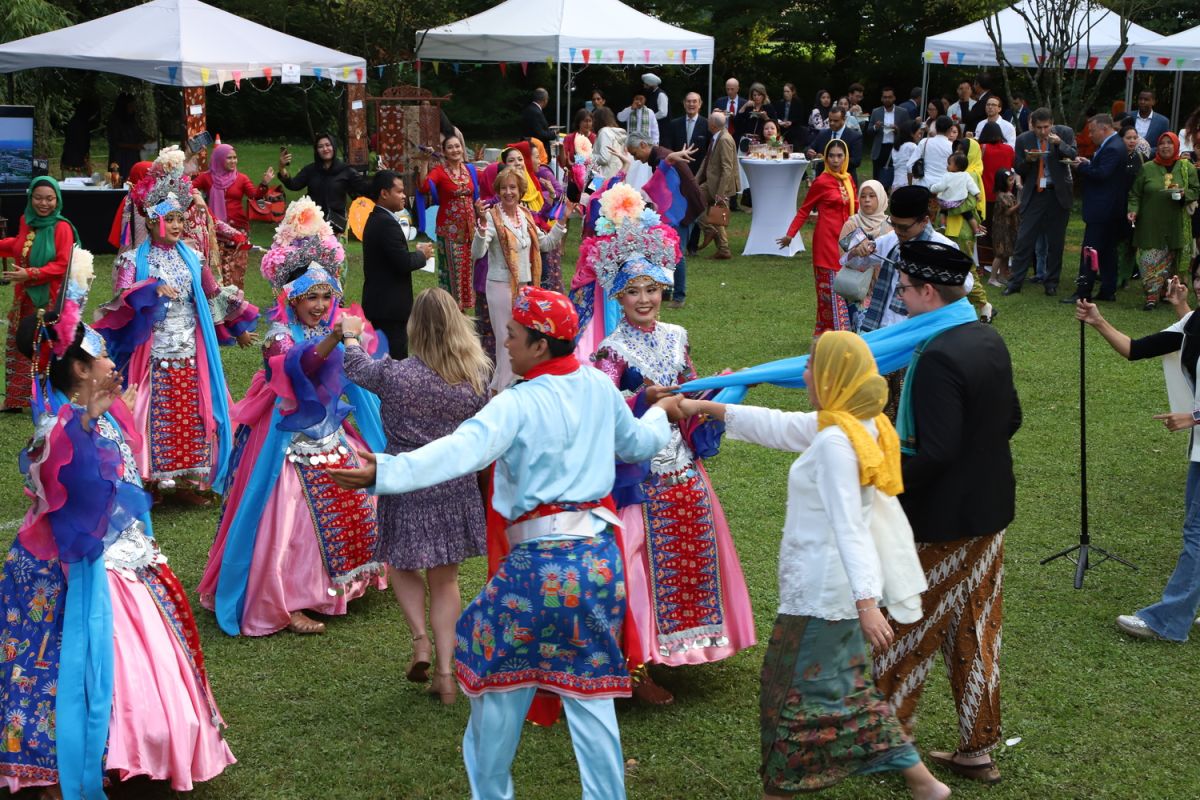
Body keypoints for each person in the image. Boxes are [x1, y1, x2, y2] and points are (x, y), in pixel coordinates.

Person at [328, 286, 676, 800]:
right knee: (591, 692)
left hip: (538, 569)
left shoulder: (517, 403)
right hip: (599, 565)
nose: (504, 343)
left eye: (512, 336)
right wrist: (663, 412)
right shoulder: (599, 389)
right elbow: (641, 443)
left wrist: (386, 469)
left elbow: (458, 451)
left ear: (539, 345)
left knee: (495, 684)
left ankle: (491, 792)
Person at [675, 332, 950, 800]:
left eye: (810, 366)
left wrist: (866, 604)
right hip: (826, 594)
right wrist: (705, 407)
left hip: (825, 596)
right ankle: (924, 784)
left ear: (832, 376)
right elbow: (783, 426)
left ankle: (779, 791)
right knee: (842, 693)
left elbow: (850, 527)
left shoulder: (837, 444)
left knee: (796, 702)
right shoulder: (857, 425)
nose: (804, 374)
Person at [1, 292, 234, 797]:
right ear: (81, 371)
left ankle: (127, 750)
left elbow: (126, 337)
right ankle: (64, 764)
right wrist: (86, 423)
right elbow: (66, 473)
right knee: (65, 667)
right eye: (101, 355)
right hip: (77, 571)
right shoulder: (56, 425)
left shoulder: (102, 412)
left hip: (125, 559)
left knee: (123, 672)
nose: (113, 361)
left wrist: (142, 298)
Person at [585, 222, 755, 706]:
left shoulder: (678, 335)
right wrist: (644, 399)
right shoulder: (610, 351)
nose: (644, 299)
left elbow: (689, 389)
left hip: (682, 470)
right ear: (617, 297)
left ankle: (681, 646)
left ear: (664, 288)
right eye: (633, 291)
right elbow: (604, 411)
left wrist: (719, 389)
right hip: (640, 480)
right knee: (633, 569)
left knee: (694, 549)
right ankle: (635, 669)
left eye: (652, 289)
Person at [197, 198, 384, 637]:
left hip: (330, 433)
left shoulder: (334, 328)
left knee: (357, 491)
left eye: (325, 297)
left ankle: (339, 586)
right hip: (286, 441)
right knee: (288, 519)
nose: (319, 306)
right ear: (292, 302)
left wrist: (354, 345)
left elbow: (360, 371)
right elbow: (296, 367)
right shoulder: (279, 336)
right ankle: (287, 600)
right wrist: (335, 340)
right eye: (310, 298)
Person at [873, 240, 1021, 787]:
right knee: (976, 627)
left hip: (942, 520)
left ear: (928, 291)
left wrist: (882, 484)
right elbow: (1012, 418)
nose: (902, 296)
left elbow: (934, 451)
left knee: (905, 630)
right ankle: (977, 749)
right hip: (990, 508)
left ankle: (887, 744)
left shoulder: (934, 356)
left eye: (906, 289)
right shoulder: (987, 337)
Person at [340, 288, 490, 702]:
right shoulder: (476, 377)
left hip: (405, 482)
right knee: (447, 581)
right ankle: (445, 673)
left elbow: (355, 367)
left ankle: (420, 639)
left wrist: (351, 334)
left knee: (403, 564)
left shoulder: (397, 375)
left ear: (415, 328)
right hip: (454, 486)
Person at [100, 158, 257, 502]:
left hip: (190, 347)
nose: (175, 225)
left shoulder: (193, 257)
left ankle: (187, 480)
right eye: (168, 219)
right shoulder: (133, 260)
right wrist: (149, 290)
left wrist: (240, 327)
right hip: (152, 351)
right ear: (153, 221)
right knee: (153, 410)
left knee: (191, 411)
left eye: (179, 219)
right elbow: (121, 302)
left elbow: (214, 293)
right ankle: (149, 480)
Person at [1074, 271, 1200, 641]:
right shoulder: (1193, 323)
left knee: (1197, 535)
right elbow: (1136, 349)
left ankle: (1167, 621)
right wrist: (1098, 321)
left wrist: (1192, 416)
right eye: (1199, 279)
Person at [472, 167, 567, 393]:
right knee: (507, 345)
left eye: (512, 187)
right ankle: (506, 394)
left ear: (521, 190)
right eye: (503, 188)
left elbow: (544, 244)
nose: (508, 192)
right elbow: (477, 253)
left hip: (525, 289)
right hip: (500, 288)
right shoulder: (492, 217)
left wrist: (561, 223)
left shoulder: (525, 215)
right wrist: (481, 228)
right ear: (497, 191)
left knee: (522, 342)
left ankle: (499, 390)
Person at [0, 176, 77, 411]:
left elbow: (63, 264)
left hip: (50, 298)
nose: (44, 204)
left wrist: (31, 273)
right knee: (18, 344)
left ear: (57, 200)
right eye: (38, 198)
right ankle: (15, 399)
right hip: (24, 297)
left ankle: (48, 398)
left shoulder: (62, 227)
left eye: (50, 199)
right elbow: (21, 245)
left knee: (47, 346)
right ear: (30, 198)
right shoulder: (27, 220)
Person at [779, 138, 857, 336]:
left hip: (846, 241)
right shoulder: (821, 182)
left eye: (840, 156)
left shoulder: (849, 180)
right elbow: (804, 210)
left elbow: (856, 212)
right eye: (831, 156)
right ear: (825, 157)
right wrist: (790, 235)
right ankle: (836, 333)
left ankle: (830, 333)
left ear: (845, 157)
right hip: (825, 241)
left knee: (846, 287)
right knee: (829, 290)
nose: (835, 160)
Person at [623, 132, 704, 309]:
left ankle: (679, 296)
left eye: (635, 153)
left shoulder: (663, 158)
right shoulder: (661, 157)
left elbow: (665, 187)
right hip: (681, 209)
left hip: (683, 211)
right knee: (666, 249)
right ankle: (667, 290)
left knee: (676, 252)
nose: (637, 159)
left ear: (644, 145)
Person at [1002, 108, 1077, 297]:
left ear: (1052, 123)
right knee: (1024, 239)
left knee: (1056, 242)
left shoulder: (1065, 133)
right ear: (1032, 125)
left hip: (1057, 194)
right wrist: (1028, 160)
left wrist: (1059, 144)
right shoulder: (1023, 139)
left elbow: (1073, 155)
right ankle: (1015, 283)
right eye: (1038, 128)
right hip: (1035, 194)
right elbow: (1018, 167)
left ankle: (1051, 282)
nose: (1043, 132)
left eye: (1046, 127)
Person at [362, 170, 433, 358]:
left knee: (382, 358)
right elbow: (402, 262)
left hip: (382, 305)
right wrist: (422, 255)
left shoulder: (378, 218)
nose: (403, 196)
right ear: (384, 194)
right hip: (389, 308)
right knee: (393, 360)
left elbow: (393, 258)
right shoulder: (386, 223)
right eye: (399, 192)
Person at [1128, 133, 1200, 310]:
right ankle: (1151, 296)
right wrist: (1133, 210)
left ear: (1176, 146)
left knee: (1171, 262)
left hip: (1176, 224)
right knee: (1148, 261)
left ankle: (1166, 292)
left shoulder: (1186, 168)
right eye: (1162, 143)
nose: (1165, 146)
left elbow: (1195, 190)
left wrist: (1184, 194)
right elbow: (1135, 193)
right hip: (1151, 224)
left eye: (1169, 143)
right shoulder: (1147, 168)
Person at [1062, 114, 1128, 304]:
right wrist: (1089, 163)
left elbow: (1101, 174)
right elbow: (1103, 169)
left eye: (1092, 131)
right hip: (1109, 209)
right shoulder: (1111, 145)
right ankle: (1108, 290)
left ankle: (1083, 291)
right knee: (1107, 251)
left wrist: (1080, 167)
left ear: (1104, 128)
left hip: (1103, 209)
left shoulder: (1114, 147)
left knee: (1090, 250)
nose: (1090, 135)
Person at [190, 142, 273, 289]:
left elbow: (254, 196)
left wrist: (264, 184)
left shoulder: (241, 178)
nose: (233, 161)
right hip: (217, 230)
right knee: (220, 269)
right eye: (229, 158)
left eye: (235, 158)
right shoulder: (207, 178)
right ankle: (222, 302)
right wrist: (199, 201)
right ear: (219, 159)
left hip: (239, 229)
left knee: (237, 269)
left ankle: (238, 303)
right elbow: (189, 188)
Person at [420, 134, 480, 310]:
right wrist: (424, 162)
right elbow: (424, 187)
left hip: (470, 231)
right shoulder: (439, 171)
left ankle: (465, 311)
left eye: (457, 146)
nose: (455, 150)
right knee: (452, 272)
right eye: (450, 147)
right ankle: (452, 310)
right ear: (444, 152)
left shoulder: (469, 170)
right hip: (450, 231)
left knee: (469, 271)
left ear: (462, 148)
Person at [277, 132, 369, 234]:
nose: (325, 149)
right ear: (316, 150)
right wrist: (282, 168)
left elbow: (365, 188)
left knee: (334, 249)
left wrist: (383, 177)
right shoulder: (311, 170)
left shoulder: (346, 171)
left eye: (328, 145)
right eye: (320, 146)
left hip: (335, 224)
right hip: (312, 224)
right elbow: (293, 185)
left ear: (333, 147)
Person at [696, 110, 739, 260]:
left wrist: (721, 193)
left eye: (709, 121)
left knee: (717, 214)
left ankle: (710, 231)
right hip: (712, 182)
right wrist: (696, 180)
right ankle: (723, 248)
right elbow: (707, 161)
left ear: (713, 125)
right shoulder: (717, 137)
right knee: (715, 214)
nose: (707, 122)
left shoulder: (724, 139)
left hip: (720, 185)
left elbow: (727, 168)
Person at [1117, 123, 1147, 288]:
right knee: (1117, 243)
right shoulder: (1115, 155)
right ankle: (1114, 274)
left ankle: (1125, 277)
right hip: (1117, 203)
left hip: (1134, 205)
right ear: (1121, 139)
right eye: (1128, 138)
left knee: (1130, 243)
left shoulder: (1140, 157)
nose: (1132, 141)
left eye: (1135, 138)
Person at [930, 152, 981, 238]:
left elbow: (941, 187)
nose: (947, 166)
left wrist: (932, 188)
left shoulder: (947, 176)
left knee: (943, 210)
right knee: (968, 215)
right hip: (960, 201)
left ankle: (943, 224)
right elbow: (972, 185)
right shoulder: (966, 175)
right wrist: (977, 194)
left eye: (949, 164)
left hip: (947, 202)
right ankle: (976, 230)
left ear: (956, 166)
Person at [869, 87, 911, 189]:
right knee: (877, 176)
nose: (887, 99)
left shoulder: (902, 112)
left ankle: (891, 194)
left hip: (895, 147)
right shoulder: (876, 112)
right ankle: (878, 195)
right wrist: (875, 127)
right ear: (881, 99)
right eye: (885, 97)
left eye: (889, 97)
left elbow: (908, 131)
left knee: (894, 174)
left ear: (894, 98)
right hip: (880, 148)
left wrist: (898, 130)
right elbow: (869, 131)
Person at [807, 108, 864, 180]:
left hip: (844, 179)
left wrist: (830, 161)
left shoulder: (854, 136)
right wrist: (809, 151)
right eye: (830, 120)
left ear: (844, 119)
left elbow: (856, 161)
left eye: (835, 121)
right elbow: (810, 148)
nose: (831, 123)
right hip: (823, 179)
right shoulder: (822, 134)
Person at [989, 168, 1019, 287]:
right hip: (1001, 229)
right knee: (999, 254)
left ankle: (1002, 276)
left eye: (1013, 180)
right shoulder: (1001, 196)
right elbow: (1007, 212)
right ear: (1002, 182)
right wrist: (1020, 204)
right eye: (1010, 180)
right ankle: (992, 278)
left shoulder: (1009, 194)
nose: (1012, 182)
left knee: (1006, 253)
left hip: (1009, 228)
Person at [106, 92, 144, 183]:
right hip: (120, 158)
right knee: (119, 181)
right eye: (131, 106)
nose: (133, 108)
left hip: (132, 157)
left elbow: (137, 133)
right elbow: (115, 141)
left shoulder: (131, 119)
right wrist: (133, 146)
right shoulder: (115, 120)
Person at [914, 116, 955, 192]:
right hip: (943, 188)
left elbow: (910, 165)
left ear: (935, 127)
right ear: (951, 129)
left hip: (924, 185)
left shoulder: (925, 142)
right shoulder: (952, 147)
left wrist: (910, 184)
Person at [61, 97, 100, 175]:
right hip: (79, 166)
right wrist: (88, 167)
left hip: (67, 162)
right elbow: (83, 148)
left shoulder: (72, 122)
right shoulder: (83, 126)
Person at [591, 106, 629, 181]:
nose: (592, 123)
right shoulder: (614, 133)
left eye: (594, 120)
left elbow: (604, 158)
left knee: (594, 192)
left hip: (603, 178)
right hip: (615, 176)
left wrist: (588, 156)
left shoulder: (604, 132)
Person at [891, 120, 925, 190]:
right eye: (919, 133)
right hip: (907, 183)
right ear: (911, 134)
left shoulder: (895, 148)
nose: (920, 136)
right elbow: (912, 167)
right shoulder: (912, 146)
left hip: (896, 183)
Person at [771, 82, 807, 148]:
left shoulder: (798, 103)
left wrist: (791, 122)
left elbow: (800, 118)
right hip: (781, 128)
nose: (786, 94)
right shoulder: (780, 103)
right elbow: (775, 115)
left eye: (788, 91)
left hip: (794, 129)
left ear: (793, 92)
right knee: (776, 144)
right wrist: (780, 122)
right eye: (784, 91)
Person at [522, 88, 556, 152]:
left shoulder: (528, 109)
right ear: (545, 100)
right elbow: (540, 134)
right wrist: (553, 133)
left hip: (528, 146)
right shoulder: (536, 112)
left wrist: (547, 130)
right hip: (538, 150)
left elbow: (534, 129)